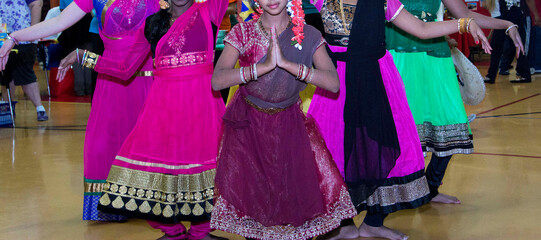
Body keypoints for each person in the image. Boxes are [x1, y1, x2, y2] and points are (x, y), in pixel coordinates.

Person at [308, 0, 492, 239]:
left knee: (386, 146)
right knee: (334, 150)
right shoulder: (322, 0)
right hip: (337, 81)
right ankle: (344, 224)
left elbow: (422, 29)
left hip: (378, 79)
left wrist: (463, 23)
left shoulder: (383, 1)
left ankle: (374, 221)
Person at [209, 0, 358, 238]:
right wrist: (263, 67)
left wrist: (289, 65)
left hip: (290, 127)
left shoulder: (308, 34)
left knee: (295, 202)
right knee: (255, 203)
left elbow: (333, 83)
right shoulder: (243, 32)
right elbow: (218, 80)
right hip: (249, 129)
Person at [0, 0, 160, 221]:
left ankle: (148, 200)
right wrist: (14, 37)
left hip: (148, 81)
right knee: (103, 145)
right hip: (110, 81)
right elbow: (57, 22)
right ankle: (114, 204)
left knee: (147, 145)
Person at [96, 0, 227, 239]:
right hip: (163, 108)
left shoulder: (209, 11)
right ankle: (171, 231)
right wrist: (87, 59)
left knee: (209, 165)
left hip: (203, 103)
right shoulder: (152, 24)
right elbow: (125, 69)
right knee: (161, 166)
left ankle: (201, 231)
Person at [385, 0, 525, 205]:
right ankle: (393, 196)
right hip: (397, 55)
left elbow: (465, 13)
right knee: (400, 129)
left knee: (452, 119)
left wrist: (507, 25)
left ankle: (430, 187)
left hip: (435, 57)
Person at [0, 0, 48, 121]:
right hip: (3, 37)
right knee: (5, 75)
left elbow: (37, 4)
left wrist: (33, 31)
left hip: (23, 38)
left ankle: (39, 108)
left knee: (25, 73)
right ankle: (8, 109)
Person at [484, 0, 540, 83]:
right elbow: (485, 4)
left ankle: (522, 73)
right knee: (502, 46)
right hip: (504, 16)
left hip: (513, 16)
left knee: (517, 45)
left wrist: (536, 15)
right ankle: (494, 73)